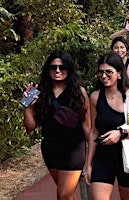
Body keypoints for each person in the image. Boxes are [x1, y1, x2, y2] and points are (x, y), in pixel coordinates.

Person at [85, 52, 129, 199]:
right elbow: (94, 132)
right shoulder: (95, 97)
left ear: (119, 73)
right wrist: (88, 164)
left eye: (109, 72)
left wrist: (121, 133)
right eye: (101, 72)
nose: (104, 76)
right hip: (103, 158)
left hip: (128, 156)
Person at [23, 50, 91, 199]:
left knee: (63, 195)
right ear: (48, 70)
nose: (58, 71)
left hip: (74, 149)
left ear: (69, 69)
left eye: (62, 67)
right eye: (53, 67)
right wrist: (27, 106)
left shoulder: (79, 92)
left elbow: (87, 125)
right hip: (51, 149)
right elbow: (29, 127)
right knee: (67, 195)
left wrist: (92, 155)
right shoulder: (37, 92)